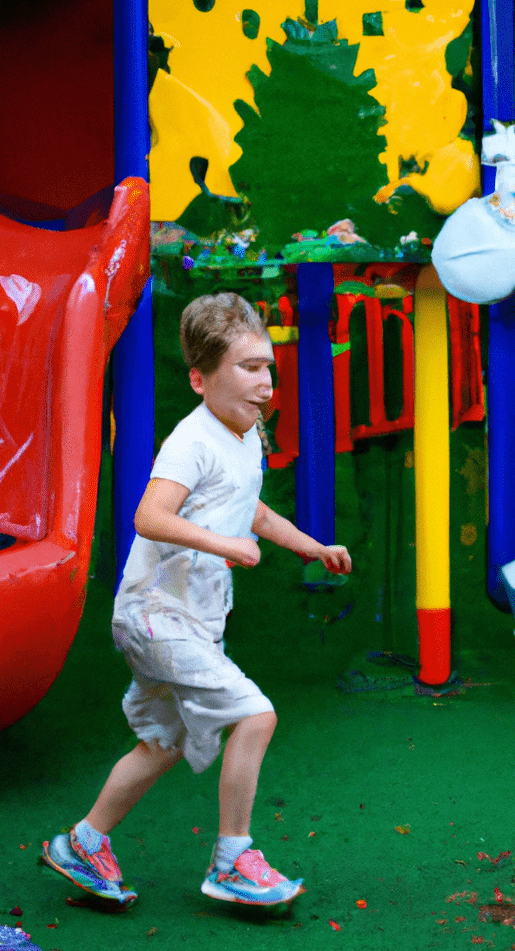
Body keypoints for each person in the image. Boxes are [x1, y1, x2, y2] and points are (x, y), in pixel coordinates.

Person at [40, 293, 352, 909]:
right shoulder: (194, 439)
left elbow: (250, 507)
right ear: (200, 378)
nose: (264, 383)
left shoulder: (245, 436)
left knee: (160, 744)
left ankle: (82, 843)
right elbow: (149, 516)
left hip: (189, 621)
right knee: (255, 715)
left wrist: (309, 546)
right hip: (155, 616)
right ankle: (233, 860)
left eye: (267, 367)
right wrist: (223, 544)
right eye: (247, 368)